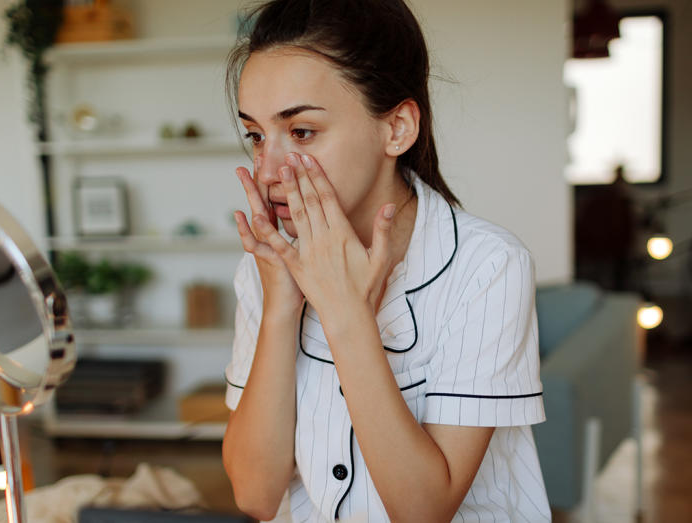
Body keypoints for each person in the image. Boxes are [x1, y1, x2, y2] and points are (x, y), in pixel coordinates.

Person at [221, 1, 550, 521]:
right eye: (257, 137)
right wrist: (282, 305)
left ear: (396, 128)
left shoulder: (487, 267)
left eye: (302, 132)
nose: (267, 172)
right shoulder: (266, 267)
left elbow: (424, 509)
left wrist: (346, 315)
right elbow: (256, 496)